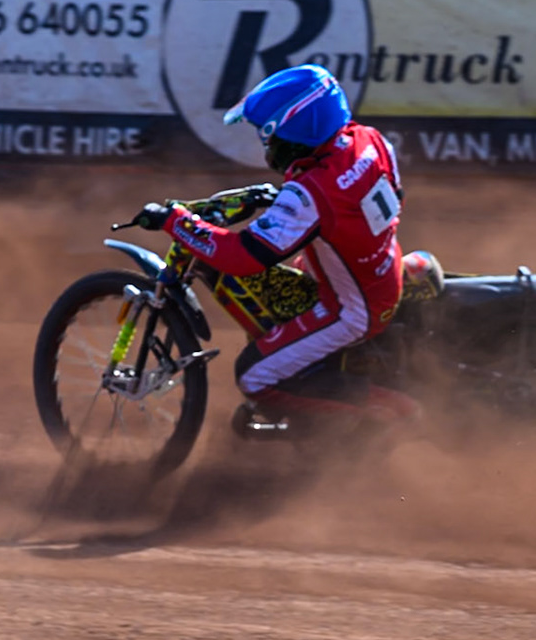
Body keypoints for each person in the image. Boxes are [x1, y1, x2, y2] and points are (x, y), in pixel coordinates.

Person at [131, 64, 416, 430]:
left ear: (296, 132)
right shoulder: (369, 140)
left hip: (351, 309)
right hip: (381, 269)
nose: (266, 145)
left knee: (253, 376)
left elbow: (243, 257)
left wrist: (177, 222)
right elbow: (394, 198)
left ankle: (383, 418)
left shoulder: (311, 192)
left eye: (269, 136)